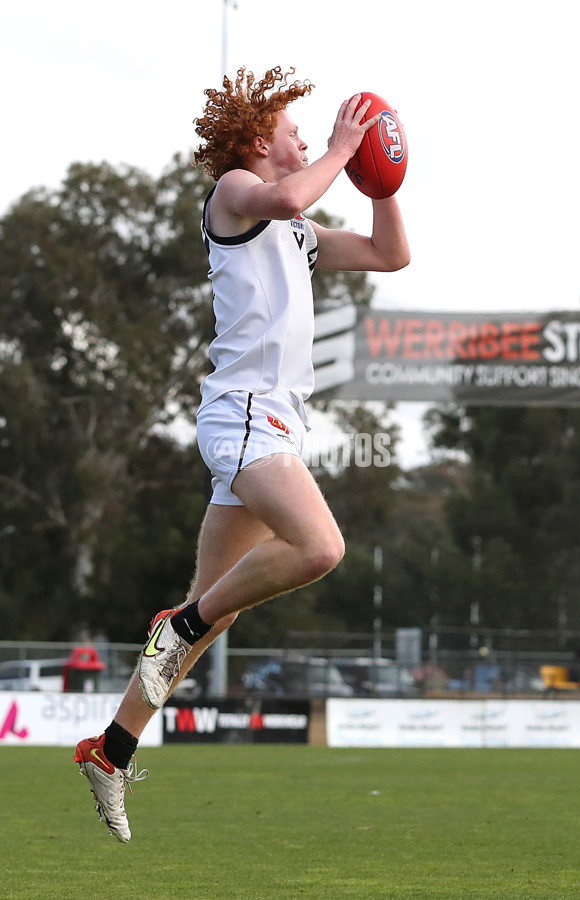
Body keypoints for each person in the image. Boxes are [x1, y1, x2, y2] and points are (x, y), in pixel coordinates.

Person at [74, 65, 410, 841]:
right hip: (244, 419)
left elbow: (392, 255)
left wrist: (381, 175)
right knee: (319, 548)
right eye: (295, 130)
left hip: (279, 425)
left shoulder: (298, 233)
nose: (306, 137)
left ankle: (110, 750)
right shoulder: (235, 192)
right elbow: (289, 193)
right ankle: (182, 620)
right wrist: (342, 145)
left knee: (210, 616)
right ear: (261, 142)